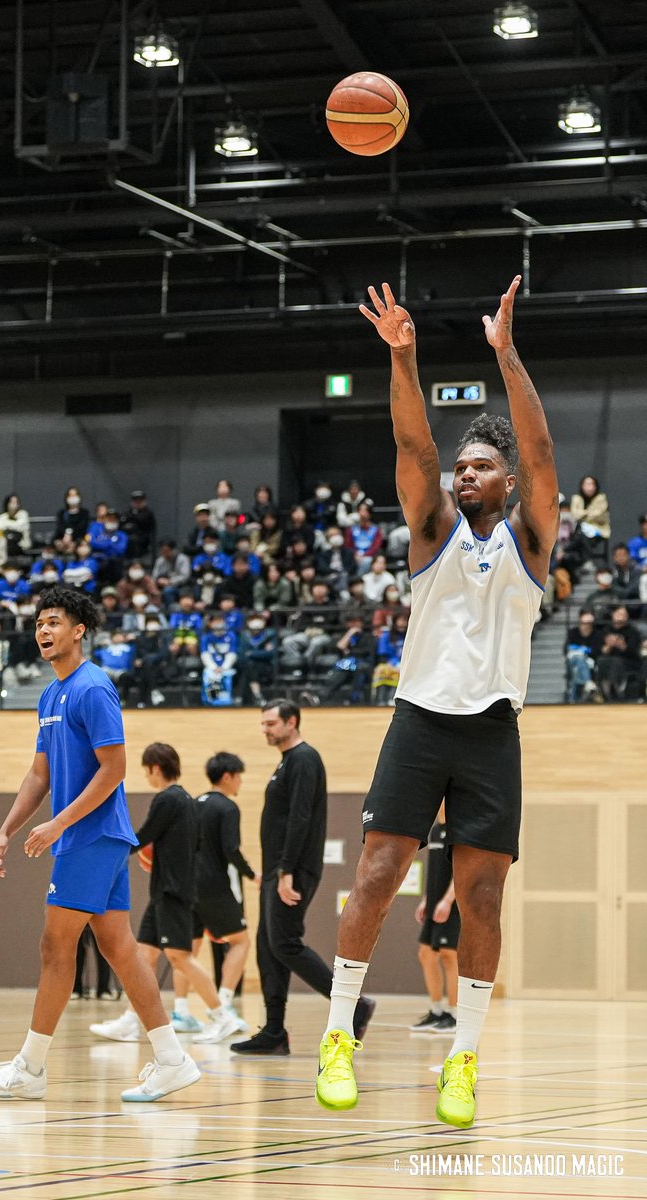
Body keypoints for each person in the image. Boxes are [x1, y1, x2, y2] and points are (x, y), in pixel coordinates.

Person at [319, 278, 558, 1129]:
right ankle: (338, 1033)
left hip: (492, 730)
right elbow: (412, 440)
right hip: (419, 720)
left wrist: (505, 353)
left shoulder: (532, 541)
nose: (463, 472)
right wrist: (403, 354)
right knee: (378, 876)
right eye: (461, 466)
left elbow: (537, 448)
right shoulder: (433, 531)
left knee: (482, 901)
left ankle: (464, 1058)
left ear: (508, 482)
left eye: (479, 465)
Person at [0, 587, 199, 1103]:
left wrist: (57, 825)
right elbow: (39, 773)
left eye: (54, 622)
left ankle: (29, 1069)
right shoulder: (51, 695)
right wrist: (5, 830)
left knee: (55, 947)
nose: (43, 631)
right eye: (38, 624)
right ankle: (172, 1059)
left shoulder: (94, 688)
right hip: (93, 837)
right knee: (119, 949)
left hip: (91, 835)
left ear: (79, 631)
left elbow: (114, 770)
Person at [89, 744, 241, 1045]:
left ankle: (221, 1015)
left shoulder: (168, 799)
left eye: (146, 770)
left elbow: (143, 836)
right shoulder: (185, 799)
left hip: (173, 892)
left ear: (155, 768)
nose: (146, 776)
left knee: (179, 957)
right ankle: (132, 1020)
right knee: (143, 957)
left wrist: (111, 852)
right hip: (166, 890)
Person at [231, 701, 356, 1056]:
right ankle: (273, 1031)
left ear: (292, 722)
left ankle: (353, 1007)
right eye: (263, 724)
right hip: (276, 871)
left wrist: (285, 871)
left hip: (292, 870)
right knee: (269, 948)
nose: (266, 729)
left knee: (285, 944)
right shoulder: (287, 762)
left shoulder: (304, 759)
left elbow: (300, 818)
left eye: (271, 723)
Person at [189, 753, 256, 1042]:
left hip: (188, 885)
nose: (240, 781)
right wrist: (252, 874)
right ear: (227, 776)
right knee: (241, 940)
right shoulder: (227, 807)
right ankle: (224, 1005)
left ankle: (184, 1008)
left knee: (186, 952)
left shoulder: (194, 803)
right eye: (239, 775)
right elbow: (231, 849)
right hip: (215, 885)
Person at [410, 804, 459, 1036]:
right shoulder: (436, 830)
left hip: (453, 904)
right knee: (426, 954)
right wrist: (427, 900)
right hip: (434, 903)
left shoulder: (459, 829)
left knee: (450, 956)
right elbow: (436, 871)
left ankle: (455, 1014)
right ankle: (437, 1010)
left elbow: (462, 871)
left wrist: (448, 901)